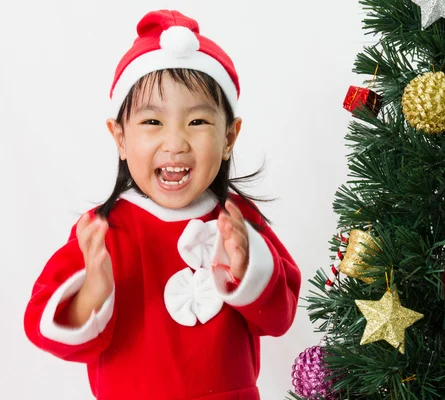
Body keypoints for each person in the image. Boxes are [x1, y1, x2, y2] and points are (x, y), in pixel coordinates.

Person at [23, 9, 301, 400]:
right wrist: (93, 291)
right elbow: (44, 327)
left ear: (229, 137)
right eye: (152, 122)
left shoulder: (238, 222)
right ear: (119, 137)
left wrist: (247, 268)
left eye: (198, 122)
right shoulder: (102, 231)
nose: (175, 143)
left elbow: (280, 316)